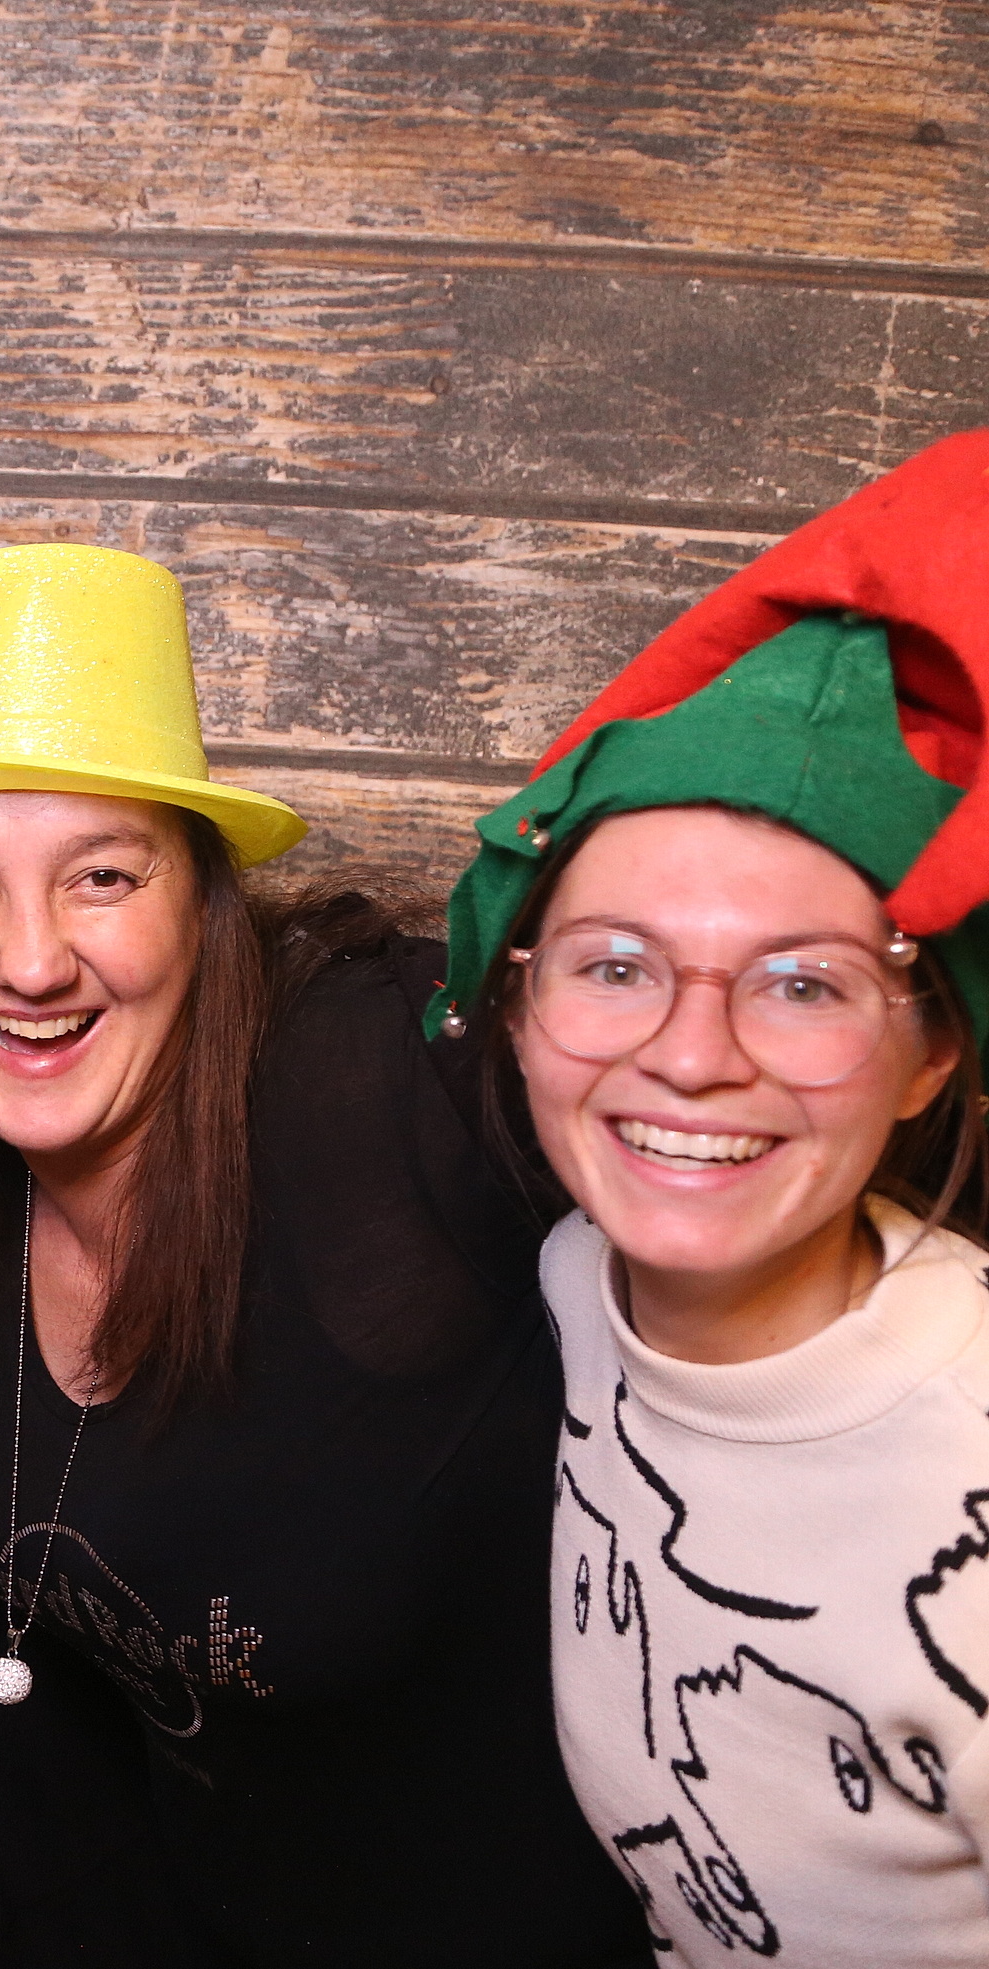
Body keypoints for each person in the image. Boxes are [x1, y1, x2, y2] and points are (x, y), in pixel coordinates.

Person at [0, 543, 649, 1962]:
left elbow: (697, 1049)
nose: (30, 960)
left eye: (101, 876)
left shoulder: (386, 1083)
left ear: (203, 898)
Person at [430, 430, 989, 1964]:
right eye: (614, 965)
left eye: (801, 984)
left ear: (930, 1051)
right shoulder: (577, 1278)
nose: (688, 1056)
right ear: (519, 1006)